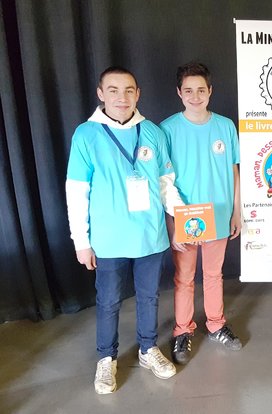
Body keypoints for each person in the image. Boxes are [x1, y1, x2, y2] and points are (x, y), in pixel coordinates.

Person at [66, 66, 183, 394]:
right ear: (101, 94)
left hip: (149, 235)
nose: (122, 97)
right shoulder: (86, 135)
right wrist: (81, 241)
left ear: (138, 94)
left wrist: (185, 220)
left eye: (129, 90)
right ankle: (107, 358)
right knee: (109, 301)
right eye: (113, 90)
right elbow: (77, 190)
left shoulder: (153, 134)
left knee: (149, 297)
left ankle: (148, 349)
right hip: (108, 239)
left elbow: (165, 184)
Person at [160, 61, 242, 365]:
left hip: (219, 214)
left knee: (213, 274)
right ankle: (182, 330)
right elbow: (163, 181)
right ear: (179, 93)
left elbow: (234, 170)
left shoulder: (225, 126)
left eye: (201, 90)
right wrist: (172, 225)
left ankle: (217, 324)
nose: (195, 96)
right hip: (186, 218)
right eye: (189, 90)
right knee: (184, 277)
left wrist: (237, 211)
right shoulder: (166, 130)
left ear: (210, 91)